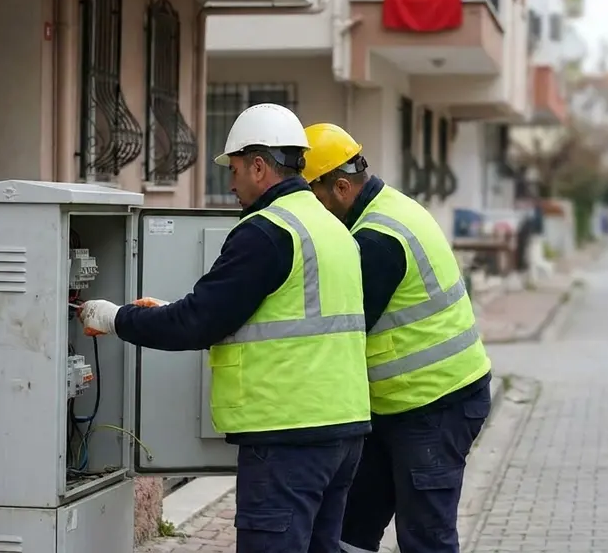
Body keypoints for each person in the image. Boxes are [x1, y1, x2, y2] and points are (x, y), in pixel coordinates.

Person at [78, 104, 372, 553]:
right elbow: (276, 314)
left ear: (259, 166)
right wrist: (172, 309)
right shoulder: (330, 228)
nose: (230, 183)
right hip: (343, 431)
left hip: (287, 438)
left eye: (234, 170)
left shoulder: (267, 231)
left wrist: (114, 318)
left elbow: (196, 322)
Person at [300, 123, 493, 553]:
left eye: (311, 196)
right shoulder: (382, 211)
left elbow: (345, 331)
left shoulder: (378, 240)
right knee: (350, 525)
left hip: (435, 407)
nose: (309, 210)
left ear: (342, 186)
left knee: (425, 536)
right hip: (397, 408)